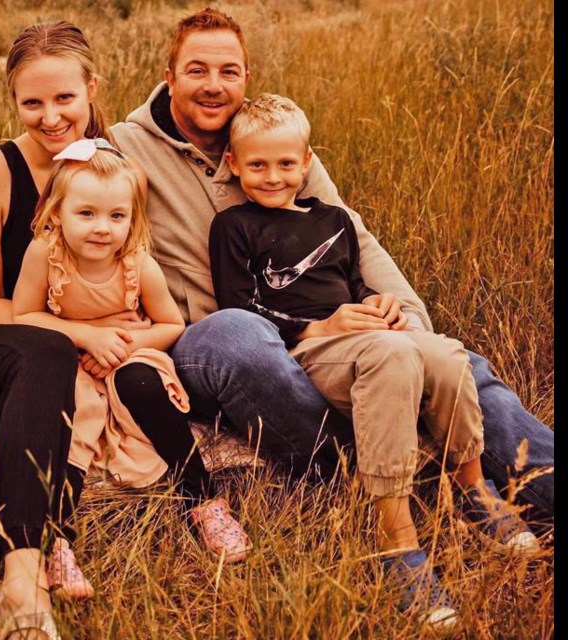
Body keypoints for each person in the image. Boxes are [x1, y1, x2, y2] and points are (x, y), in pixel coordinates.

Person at [108, 7, 554, 530]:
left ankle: (527, 483)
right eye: (197, 70)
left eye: (228, 71)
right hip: (213, 345)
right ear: (169, 77)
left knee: (457, 366)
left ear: (247, 77)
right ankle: (371, 470)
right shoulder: (124, 148)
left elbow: (352, 236)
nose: (213, 85)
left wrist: (403, 320)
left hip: (319, 344)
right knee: (239, 334)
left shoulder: (273, 142)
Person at [209, 94, 539, 631]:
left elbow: (352, 282)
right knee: (391, 355)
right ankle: (396, 537)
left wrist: (376, 303)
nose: (272, 176)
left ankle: (475, 489)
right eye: (257, 165)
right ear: (233, 165)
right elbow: (237, 303)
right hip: (310, 349)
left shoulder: (334, 219)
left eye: (286, 163)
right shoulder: (234, 226)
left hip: (366, 332)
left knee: (445, 352)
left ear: (307, 161)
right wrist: (317, 327)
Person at [12, 139, 251, 597]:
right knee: (73, 412)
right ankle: (57, 537)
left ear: (132, 219)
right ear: (58, 213)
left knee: (141, 384)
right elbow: (24, 317)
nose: (103, 228)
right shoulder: (46, 254)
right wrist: (87, 334)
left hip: (130, 354)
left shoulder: (137, 263)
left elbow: (169, 324)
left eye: (116, 216)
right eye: (87, 214)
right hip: (71, 356)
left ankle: (203, 501)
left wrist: (119, 345)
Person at [0, 20, 105, 639]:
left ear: (91, 87)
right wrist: (80, 336)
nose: (50, 115)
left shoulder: (107, 163)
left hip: (59, 342)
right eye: (30, 102)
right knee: (47, 351)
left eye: (64, 98)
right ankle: (22, 580)